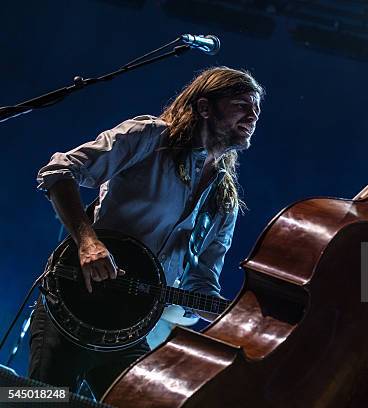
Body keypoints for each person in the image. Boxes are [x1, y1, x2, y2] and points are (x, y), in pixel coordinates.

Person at [28, 66, 264, 399]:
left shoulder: (224, 200)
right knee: (35, 400)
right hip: (73, 308)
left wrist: (245, 319)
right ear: (205, 107)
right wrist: (87, 242)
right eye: (242, 104)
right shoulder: (151, 138)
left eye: (256, 109)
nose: (253, 115)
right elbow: (59, 171)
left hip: (130, 332)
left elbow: (201, 282)